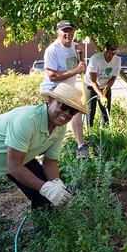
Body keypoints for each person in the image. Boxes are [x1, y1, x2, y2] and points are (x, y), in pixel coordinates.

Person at [0, 83, 88, 222]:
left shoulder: (59, 127)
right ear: (50, 100)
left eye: (72, 111)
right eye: (63, 106)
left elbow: (50, 161)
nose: (67, 113)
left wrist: (56, 184)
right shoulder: (27, 120)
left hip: (17, 155)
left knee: (44, 195)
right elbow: (13, 167)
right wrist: (46, 189)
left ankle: (45, 234)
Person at [40, 20, 88, 158]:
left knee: (76, 111)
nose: (68, 33)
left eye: (70, 30)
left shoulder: (74, 47)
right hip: (52, 91)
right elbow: (52, 75)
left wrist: (81, 62)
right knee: (53, 122)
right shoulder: (52, 50)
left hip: (67, 90)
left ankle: (81, 148)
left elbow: (80, 65)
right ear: (58, 33)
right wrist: (76, 70)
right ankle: (45, 151)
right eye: (64, 31)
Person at [85, 41, 121, 127]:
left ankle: (103, 133)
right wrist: (101, 95)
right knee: (90, 111)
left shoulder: (117, 60)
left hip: (105, 86)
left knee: (105, 111)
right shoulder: (95, 59)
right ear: (104, 50)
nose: (109, 55)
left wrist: (105, 90)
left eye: (112, 53)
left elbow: (113, 78)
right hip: (91, 86)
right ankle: (89, 133)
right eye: (107, 52)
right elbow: (93, 80)